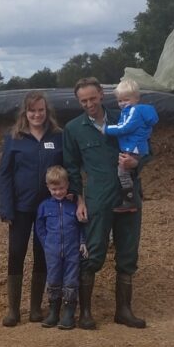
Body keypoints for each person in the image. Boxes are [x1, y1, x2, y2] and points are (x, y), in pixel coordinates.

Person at [63, 77, 151, 330]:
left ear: (102, 94)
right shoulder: (74, 128)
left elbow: (147, 148)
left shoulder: (126, 117)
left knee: (128, 253)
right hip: (98, 198)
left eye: (92, 98)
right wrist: (79, 199)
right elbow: (71, 167)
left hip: (128, 195)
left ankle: (124, 311)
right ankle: (85, 313)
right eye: (83, 101)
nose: (89, 104)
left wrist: (136, 162)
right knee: (92, 252)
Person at [0, 90, 64, 327]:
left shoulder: (58, 137)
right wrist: (6, 208)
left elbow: (66, 169)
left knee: (42, 254)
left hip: (48, 207)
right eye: (32, 110)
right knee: (16, 253)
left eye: (41, 110)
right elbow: (5, 175)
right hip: (20, 207)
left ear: (47, 111)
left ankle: (35, 307)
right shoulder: (14, 138)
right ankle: (13, 310)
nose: (37, 115)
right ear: (25, 112)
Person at [35, 166, 88, 330]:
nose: (58, 192)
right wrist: (47, 243)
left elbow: (81, 226)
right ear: (48, 187)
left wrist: (82, 242)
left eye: (61, 188)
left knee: (71, 280)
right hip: (52, 251)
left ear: (67, 185)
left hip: (72, 250)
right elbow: (40, 227)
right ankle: (53, 312)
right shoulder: (44, 206)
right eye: (54, 189)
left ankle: (68, 314)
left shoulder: (73, 205)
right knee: (53, 279)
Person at [103, 79, 158, 212]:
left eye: (126, 99)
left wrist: (106, 129)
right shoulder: (129, 111)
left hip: (134, 148)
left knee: (122, 172)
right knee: (128, 172)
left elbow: (125, 128)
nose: (122, 103)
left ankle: (130, 200)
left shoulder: (134, 111)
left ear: (136, 98)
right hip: (133, 146)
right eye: (119, 100)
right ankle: (133, 196)